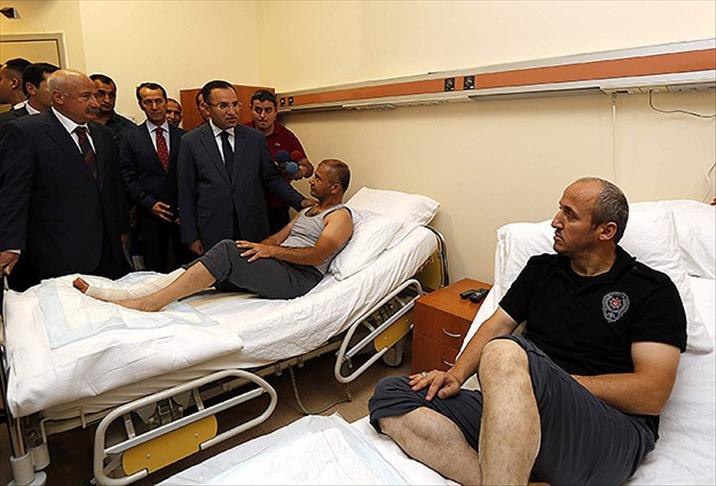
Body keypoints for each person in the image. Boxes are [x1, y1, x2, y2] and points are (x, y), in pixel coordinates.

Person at [369, 178, 686, 485]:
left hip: (607, 431)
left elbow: (652, 394)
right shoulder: (541, 270)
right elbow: (496, 325)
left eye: (569, 215)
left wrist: (544, 384)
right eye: (560, 209)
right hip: (521, 409)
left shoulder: (651, 290)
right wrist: (454, 375)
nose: (555, 221)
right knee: (391, 395)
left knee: (504, 351)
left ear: (606, 231)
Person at [74, 159, 353, 309]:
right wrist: (256, 249)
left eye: (318, 178)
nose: (311, 181)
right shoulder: (308, 210)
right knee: (220, 260)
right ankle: (125, 294)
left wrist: (269, 252)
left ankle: (150, 302)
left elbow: (318, 254)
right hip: (282, 265)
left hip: (300, 279)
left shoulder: (340, 216)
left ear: (335, 188)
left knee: (226, 250)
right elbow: (276, 239)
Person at [0, 70, 130, 290]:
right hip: (55, 254)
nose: (96, 103)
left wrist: (121, 229)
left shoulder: (103, 134)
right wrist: (10, 244)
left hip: (107, 254)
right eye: (86, 96)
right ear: (59, 97)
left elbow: (113, 187)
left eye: (95, 96)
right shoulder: (25, 132)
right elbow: (13, 194)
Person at [178, 80, 314, 257]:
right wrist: (191, 236)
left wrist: (300, 202)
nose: (232, 111)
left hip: (252, 227)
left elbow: (272, 179)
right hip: (212, 228)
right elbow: (186, 192)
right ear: (207, 108)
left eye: (235, 104)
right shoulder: (191, 141)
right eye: (223, 106)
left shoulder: (255, 139)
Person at [120, 82, 187, 273]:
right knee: (154, 269)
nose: (155, 107)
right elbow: (127, 176)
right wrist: (149, 204)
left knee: (186, 267)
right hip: (149, 215)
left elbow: (192, 176)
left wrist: (186, 208)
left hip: (182, 215)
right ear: (141, 105)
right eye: (148, 102)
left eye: (159, 101)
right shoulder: (130, 137)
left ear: (166, 102)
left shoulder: (185, 137)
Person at [245, 90, 314, 233]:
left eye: (268, 110)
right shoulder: (242, 133)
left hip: (278, 206)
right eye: (258, 110)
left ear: (276, 111)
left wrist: (301, 171)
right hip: (248, 207)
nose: (262, 115)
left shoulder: (286, 136)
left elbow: (308, 168)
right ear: (250, 109)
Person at [89, 73, 135, 143]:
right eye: (101, 94)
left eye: (111, 95)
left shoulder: (128, 128)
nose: (107, 100)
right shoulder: (80, 124)